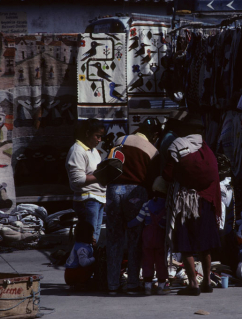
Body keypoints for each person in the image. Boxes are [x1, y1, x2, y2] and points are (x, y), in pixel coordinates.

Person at [163, 113, 222, 296]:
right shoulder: (206, 149)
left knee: (185, 243)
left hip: (185, 202)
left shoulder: (178, 146)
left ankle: (194, 285)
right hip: (206, 201)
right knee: (205, 244)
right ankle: (207, 282)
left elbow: (167, 174)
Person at [105, 122, 160, 295]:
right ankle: (133, 284)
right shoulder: (153, 151)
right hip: (136, 193)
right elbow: (152, 180)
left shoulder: (121, 139)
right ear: (153, 136)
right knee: (135, 240)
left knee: (114, 239)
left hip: (113, 190)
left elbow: (110, 163)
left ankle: (112, 285)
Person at [128, 176, 169, 296]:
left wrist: (127, 224)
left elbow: (138, 219)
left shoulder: (146, 204)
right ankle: (161, 287)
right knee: (161, 262)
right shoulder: (166, 206)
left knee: (147, 261)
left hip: (147, 238)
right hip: (161, 238)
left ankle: (147, 287)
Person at [65, 118, 105, 242]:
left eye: (101, 137)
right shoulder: (77, 151)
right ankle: (84, 260)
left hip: (98, 198)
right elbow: (78, 180)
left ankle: (90, 259)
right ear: (87, 133)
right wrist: (102, 176)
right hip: (87, 199)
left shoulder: (93, 151)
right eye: (97, 136)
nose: (99, 140)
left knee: (94, 236)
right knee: (89, 237)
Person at [64, 221, 96, 289]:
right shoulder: (82, 248)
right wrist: (94, 258)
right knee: (92, 264)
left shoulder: (80, 244)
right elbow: (83, 263)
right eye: (91, 234)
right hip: (73, 274)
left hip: (71, 273)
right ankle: (80, 282)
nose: (93, 236)